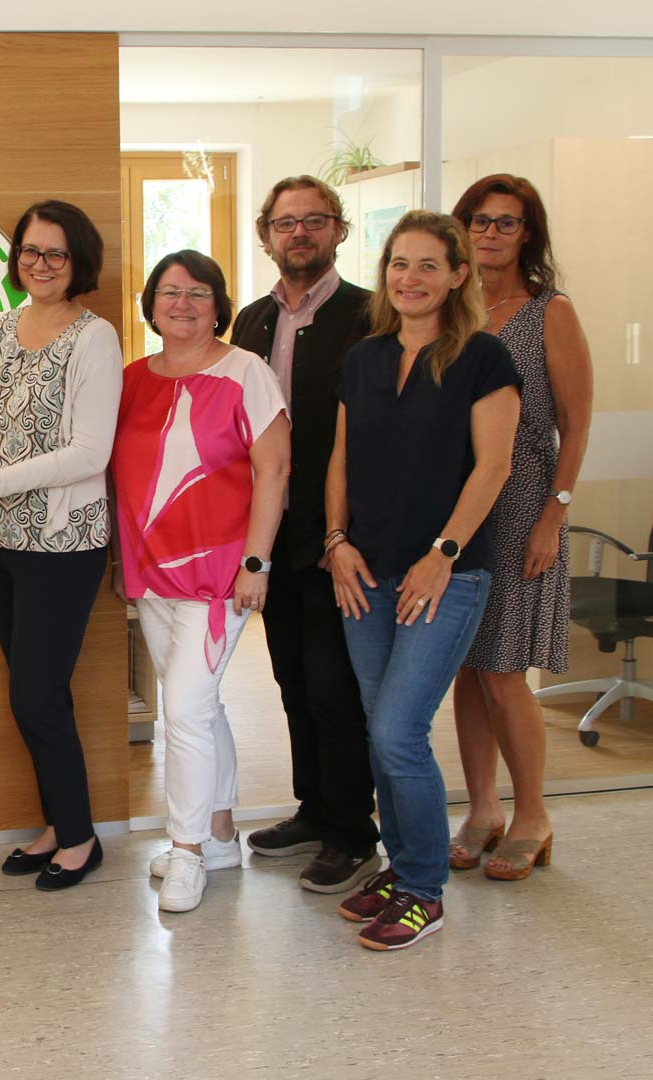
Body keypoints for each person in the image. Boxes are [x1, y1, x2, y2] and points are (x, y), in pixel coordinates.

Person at [327, 210, 521, 950]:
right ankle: (403, 864)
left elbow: (494, 467)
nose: (410, 278)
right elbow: (341, 458)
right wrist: (336, 542)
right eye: (399, 264)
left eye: (428, 265)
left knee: (399, 731)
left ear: (458, 276)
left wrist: (442, 553)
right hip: (364, 572)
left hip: (446, 575)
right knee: (381, 729)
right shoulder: (364, 357)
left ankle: (423, 889)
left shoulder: (483, 357)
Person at [0, 199, 120, 892]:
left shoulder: (95, 338)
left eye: (55, 253)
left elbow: (90, 454)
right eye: (30, 251)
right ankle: (61, 824)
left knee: (35, 696)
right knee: (35, 694)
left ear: (78, 261)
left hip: (62, 543)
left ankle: (81, 837)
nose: (40, 264)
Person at [113, 250, 290, 914]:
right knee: (202, 707)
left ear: (219, 305)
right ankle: (218, 836)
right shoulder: (131, 381)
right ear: (150, 305)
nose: (182, 303)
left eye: (197, 292)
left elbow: (275, 470)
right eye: (169, 292)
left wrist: (256, 563)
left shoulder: (246, 372)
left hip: (221, 576)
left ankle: (184, 849)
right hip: (152, 572)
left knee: (184, 710)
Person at [230, 176, 380, 895]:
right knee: (291, 679)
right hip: (275, 530)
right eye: (286, 223)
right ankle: (314, 810)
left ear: (338, 231)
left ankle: (353, 833)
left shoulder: (371, 316)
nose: (300, 233)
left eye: (314, 220)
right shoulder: (252, 321)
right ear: (267, 236)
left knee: (333, 688)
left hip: (340, 536)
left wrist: (347, 532)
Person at [448, 176, 592, 881]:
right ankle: (482, 810)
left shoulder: (547, 311)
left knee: (504, 671)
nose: (491, 233)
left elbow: (576, 421)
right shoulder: (451, 310)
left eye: (507, 222)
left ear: (527, 233)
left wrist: (554, 515)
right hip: (457, 507)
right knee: (465, 667)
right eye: (480, 220)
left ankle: (533, 814)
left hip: (523, 504)